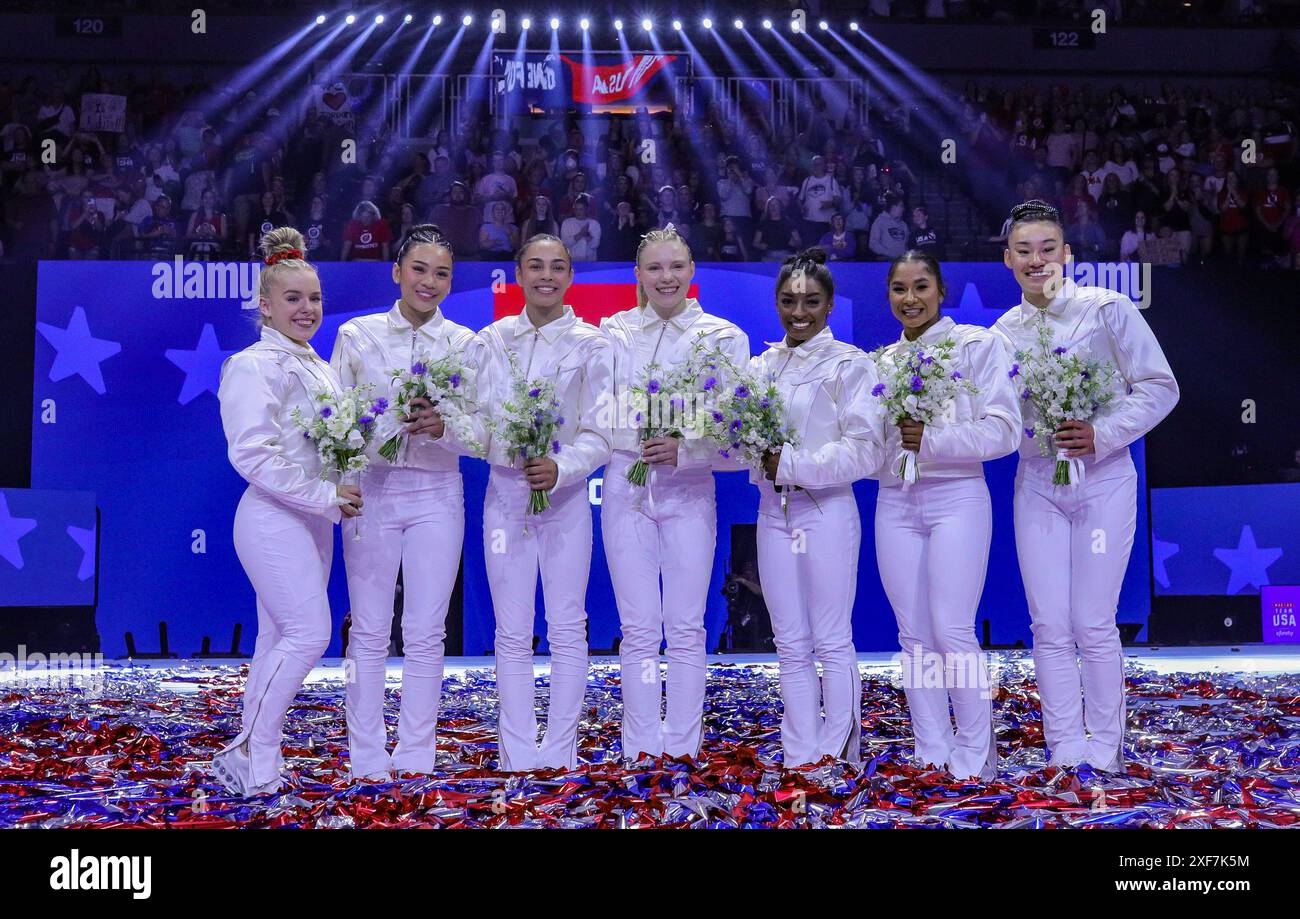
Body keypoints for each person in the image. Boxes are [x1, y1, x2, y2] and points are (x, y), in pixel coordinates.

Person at [992, 200, 1178, 773]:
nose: (1037, 259)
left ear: (1067, 254)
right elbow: (1000, 417)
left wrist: (1101, 433)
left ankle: (1106, 744)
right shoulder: (1002, 333)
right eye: (1024, 251)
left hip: (1103, 481)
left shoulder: (1109, 310)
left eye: (1047, 248)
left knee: (1093, 620)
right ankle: (1065, 745)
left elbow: (1159, 387)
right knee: (1047, 622)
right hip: (1038, 484)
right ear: (1008, 260)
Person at [330, 225, 487, 780]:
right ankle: (366, 754)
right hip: (371, 491)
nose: (429, 281)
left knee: (426, 629)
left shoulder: (468, 345)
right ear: (397, 272)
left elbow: (485, 434)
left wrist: (444, 427)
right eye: (419, 269)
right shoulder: (357, 335)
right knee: (368, 627)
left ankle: (417, 752)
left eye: (441, 272)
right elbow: (336, 422)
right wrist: (344, 481)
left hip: (437, 494)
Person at [212, 227, 364, 796]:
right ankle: (248, 746)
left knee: (275, 640)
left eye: (315, 299)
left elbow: (338, 445)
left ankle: (257, 772)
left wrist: (342, 484)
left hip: (313, 522)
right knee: (308, 633)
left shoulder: (319, 367)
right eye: (293, 299)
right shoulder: (252, 365)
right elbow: (251, 453)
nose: (307, 310)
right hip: (273, 517)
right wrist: (324, 497)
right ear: (266, 306)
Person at [600, 226, 750, 762]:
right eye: (655, 268)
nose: (667, 277)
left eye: (677, 267)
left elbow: (734, 430)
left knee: (686, 625)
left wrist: (686, 447)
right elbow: (599, 412)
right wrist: (639, 430)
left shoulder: (723, 337)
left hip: (689, 490)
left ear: (693, 272)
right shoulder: (612, 333)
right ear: (638, 276)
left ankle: (684, 746)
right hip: (626, 484)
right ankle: (640, 746)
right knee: (638, 627)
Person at [873, 251, 1019, 781]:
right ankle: (931, 750)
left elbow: (1004, 430)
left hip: (957, 498)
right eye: (899, 289)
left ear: (941, 290)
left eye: (920, 287)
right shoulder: (882, 363)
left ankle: (975, 754)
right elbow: (874, 446)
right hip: (895, 502)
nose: (910, 299)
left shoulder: (977, 347)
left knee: (952, 627)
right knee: (912, 634)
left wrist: (931, 440)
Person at [477, 235, 612, 771]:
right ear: (518, 273)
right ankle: (515, 752)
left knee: (566, 624)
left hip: (567, 500)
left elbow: (601, 433)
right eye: (535, 265)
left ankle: (560, 752)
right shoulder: (491, 341)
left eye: (557, 266)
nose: (546, 276)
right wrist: (509, 451)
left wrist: (562, 468)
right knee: (510, 629)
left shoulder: (592, 344)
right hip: (505, 498)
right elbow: (476, 423)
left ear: (571, 275)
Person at [754, 249, 886, 767]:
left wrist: (789, 463)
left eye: (810, 301)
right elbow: (742, 441)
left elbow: (865, 449)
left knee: (831, 638)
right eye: (788, 301)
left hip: (827, 510)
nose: (798, 311)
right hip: (772, 513)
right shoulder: (759, 366)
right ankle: (799, 752)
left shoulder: (851, 365)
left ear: (829, 305)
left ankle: (838, 753)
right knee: (788, 640)